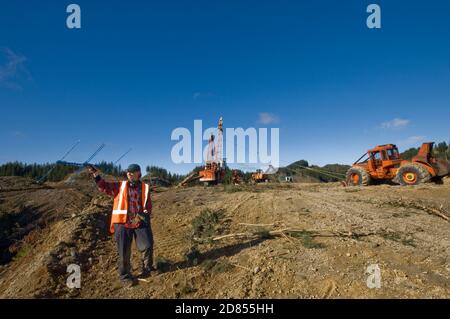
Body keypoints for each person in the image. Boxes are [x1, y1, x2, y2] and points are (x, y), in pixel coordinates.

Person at [88, 164, 154, 288]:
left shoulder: (145, 187)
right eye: (128, 172)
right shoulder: (120, 186)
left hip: (140, 222)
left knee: (148, 245)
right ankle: (125, 277)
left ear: (138, 173)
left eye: (132, 172)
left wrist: (144, 214)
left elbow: (148, 205)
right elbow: (104, 186)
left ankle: (148, 269)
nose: (129, 173)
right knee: (124, 252)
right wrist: (96, 175)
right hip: (123, 223)